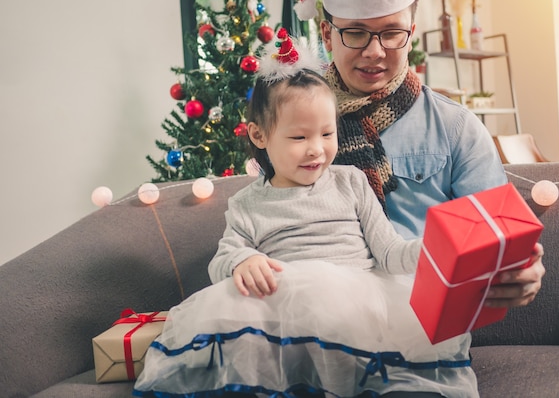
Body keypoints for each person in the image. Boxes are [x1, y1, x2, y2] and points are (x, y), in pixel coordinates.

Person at [133, 31, 471, 397]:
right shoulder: (247, 204)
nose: (317, 150)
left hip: (356, 306)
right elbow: (221, 261)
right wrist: (242, 260)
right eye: (299, 138)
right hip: (285, 316)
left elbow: (389, 252)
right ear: (260, 136)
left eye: (327, 134)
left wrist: (433, 248)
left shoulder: (352, 182)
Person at [292, 0, 546, 396]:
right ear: (327, 32)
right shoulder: (292, 127)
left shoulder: (454, 128)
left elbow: (497, 233)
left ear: (411, 29)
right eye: (355, 33)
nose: (374, 51)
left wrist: (524, 270)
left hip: (422, 349)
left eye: (391, 33)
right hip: (313, 339)